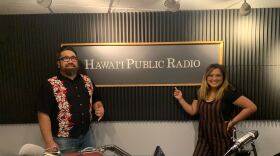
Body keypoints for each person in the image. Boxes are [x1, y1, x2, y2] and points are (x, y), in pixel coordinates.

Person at [173, 63, 257, 156]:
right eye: (211, 75)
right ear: (206, 77)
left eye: (218, 75)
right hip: (204, 139)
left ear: (223, 77)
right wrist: (180, 99)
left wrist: (232, 122)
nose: (214, 78)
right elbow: (193, 111)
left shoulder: (228, 92)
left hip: (223, 139)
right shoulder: (201, 92)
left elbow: (251, 107)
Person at [37, 46, 105, 154]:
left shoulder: (87, 80)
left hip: (88, 136)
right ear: (58, 63)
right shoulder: (50, 84)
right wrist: (49, 142)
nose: (70, 61)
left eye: (73, 58)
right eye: (65, 58)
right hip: (63, 141)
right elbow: (43, 114)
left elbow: (96, 100)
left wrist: (99, 106)